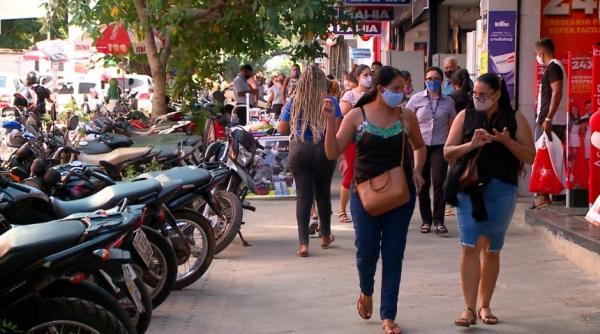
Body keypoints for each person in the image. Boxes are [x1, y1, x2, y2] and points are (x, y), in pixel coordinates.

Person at [323, 66, 426, 334]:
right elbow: (333, 151)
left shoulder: (407, 117)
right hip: (364, 195)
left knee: (393, 254)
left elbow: (420, 146)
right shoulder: (357, 115)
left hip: (400, 195)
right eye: (396, 89)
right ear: (380, 89)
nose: (401, 94)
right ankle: (366, 290)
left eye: (403, 88)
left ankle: (388, 315)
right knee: (366, 252)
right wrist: (329, 121)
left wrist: (417, 170)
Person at [444, 73, 535, 328]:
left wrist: (507, 141)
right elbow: (448, 151)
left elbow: (530, 155)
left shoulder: (514, 118)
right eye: (475, 94)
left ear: (497, 94)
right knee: (469, 245)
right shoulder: (465, 116)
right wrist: (471, 145)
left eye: (483, 95)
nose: (478, 98)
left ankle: (485, 304)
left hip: (501, 188)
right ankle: (469, 308)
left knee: (492, 247)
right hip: (469, 188)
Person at [277, 64, 342, 257]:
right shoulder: (330, 102)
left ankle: (303, 244)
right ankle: (325, 235)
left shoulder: (294, 101)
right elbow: (337, 129)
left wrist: (298, 127)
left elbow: (281, 128)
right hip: (323, 149)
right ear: (323, 83)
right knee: (323, 193)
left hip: (299, 150)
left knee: (304, 197)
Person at [406, 67, 457, 234]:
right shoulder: (416, 99)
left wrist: (453, 148)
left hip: (440, 145)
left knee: (439, 182)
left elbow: (453, 125)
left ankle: (439, 220)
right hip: (419, 145)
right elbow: (406, 119)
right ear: (424, 80)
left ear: (441, 81)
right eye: (429, 78)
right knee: (422, 182)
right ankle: (426, 220)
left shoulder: (448, 102)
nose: (432, 81)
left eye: (435, 78)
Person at [533, 37, 567, 208]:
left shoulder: (553, 67)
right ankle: (550, 193)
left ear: (541, 52)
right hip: (550, 119)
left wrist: (548, 118)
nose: (536, 57)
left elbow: (557, 92)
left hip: (550, 121)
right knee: (552, 157)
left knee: (545, 157)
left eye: (536, 54)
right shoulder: (556, 67)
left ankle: (544, 193)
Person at [338, 64, 372, 225]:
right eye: (365, 75)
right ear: (357, 77)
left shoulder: (375, 94)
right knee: (350, 173)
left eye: (370, 74)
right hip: (353, 140)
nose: (369, 77)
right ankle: (342, 210)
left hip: (372, 138)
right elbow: (343, 116)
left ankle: (369, 203)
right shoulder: (350, 95)